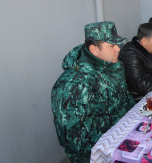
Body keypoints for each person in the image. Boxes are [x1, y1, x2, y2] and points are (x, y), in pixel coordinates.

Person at [51, 21, 135, 162]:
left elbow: (126, 99)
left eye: (117, 44)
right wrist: (121, 126)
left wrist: (136, 121)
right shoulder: (74, 83)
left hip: (123, 134)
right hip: (93, 154)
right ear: (94, 50)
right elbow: (79, 140)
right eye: (111, 46)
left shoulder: (115, 66)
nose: (118, 49)